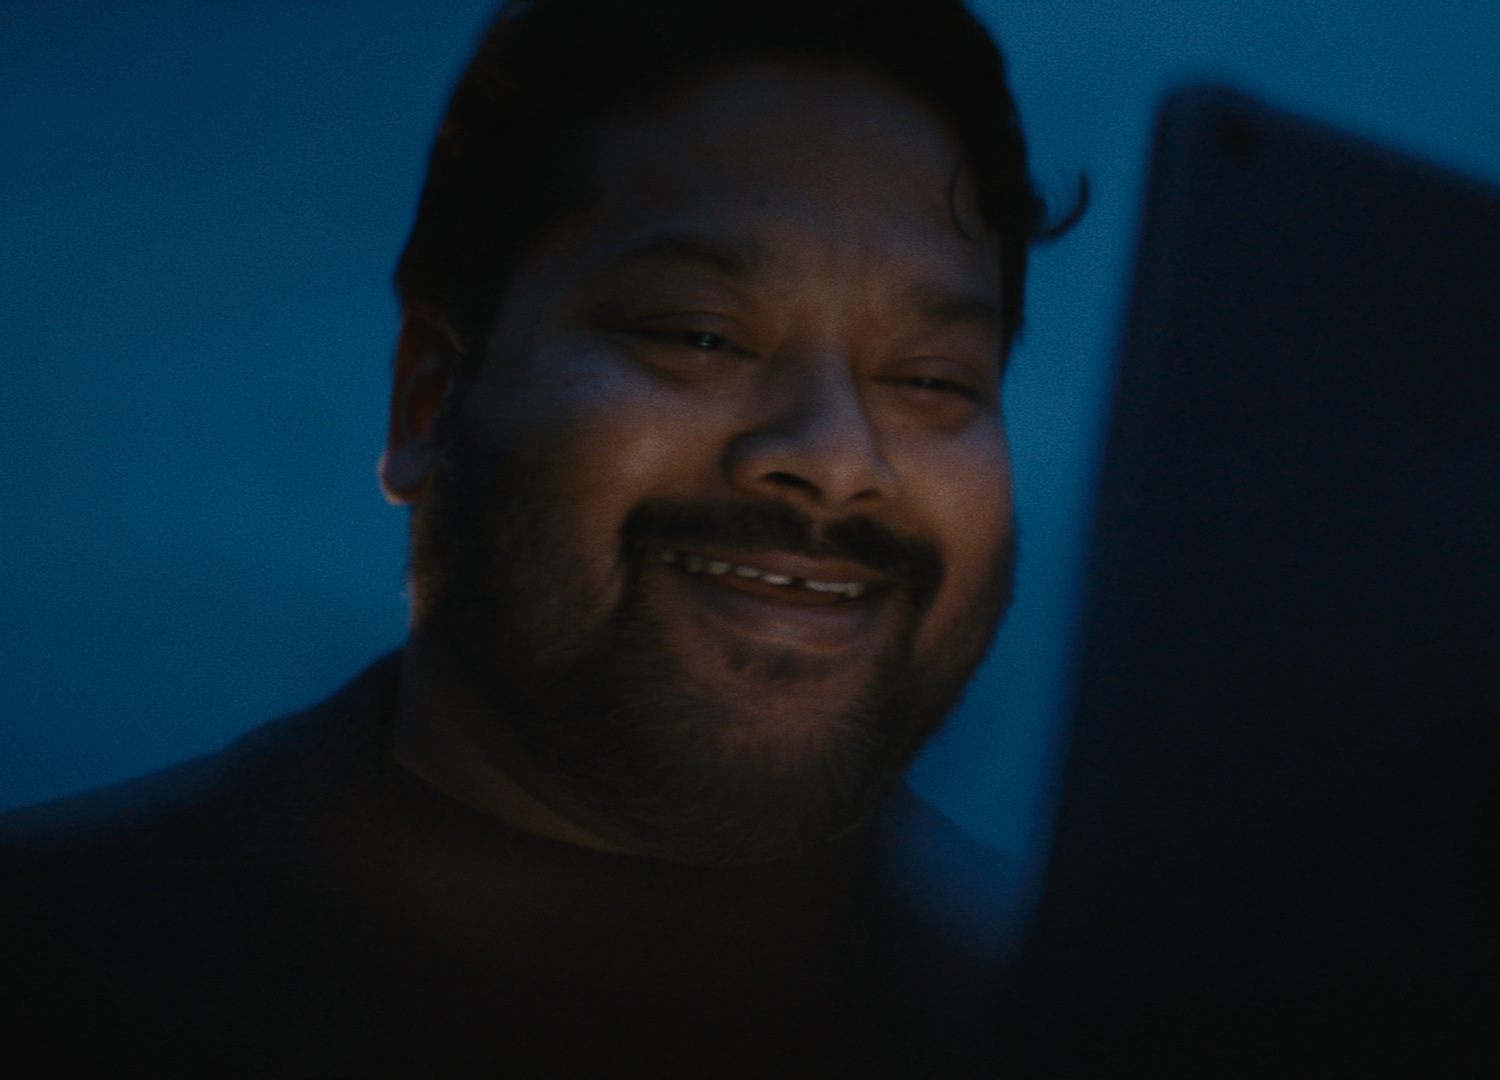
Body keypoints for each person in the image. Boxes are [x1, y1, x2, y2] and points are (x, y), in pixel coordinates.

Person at [0, 1, 1076, 1074]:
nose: (840, 458)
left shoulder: (1121, 1013)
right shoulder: (46, 971)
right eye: (697, 334)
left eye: (936, 380)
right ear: (426, 402)